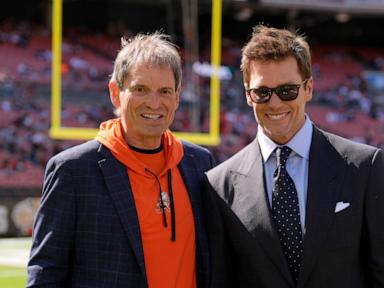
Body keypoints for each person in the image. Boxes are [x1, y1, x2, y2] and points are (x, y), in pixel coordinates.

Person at [27, 32, 215, 288]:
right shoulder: (73, 171)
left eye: (165, 91)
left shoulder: (199, 163)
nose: (154, 102)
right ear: (116, 93)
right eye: (140, 89)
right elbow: (45, 273)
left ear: (177, 97)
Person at [204, 24, 384, 288]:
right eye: (262, 92)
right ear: (247, 96)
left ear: (308, 88)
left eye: (287, 90)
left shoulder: (365, 167)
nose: (275, 103)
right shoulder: (219, 185)